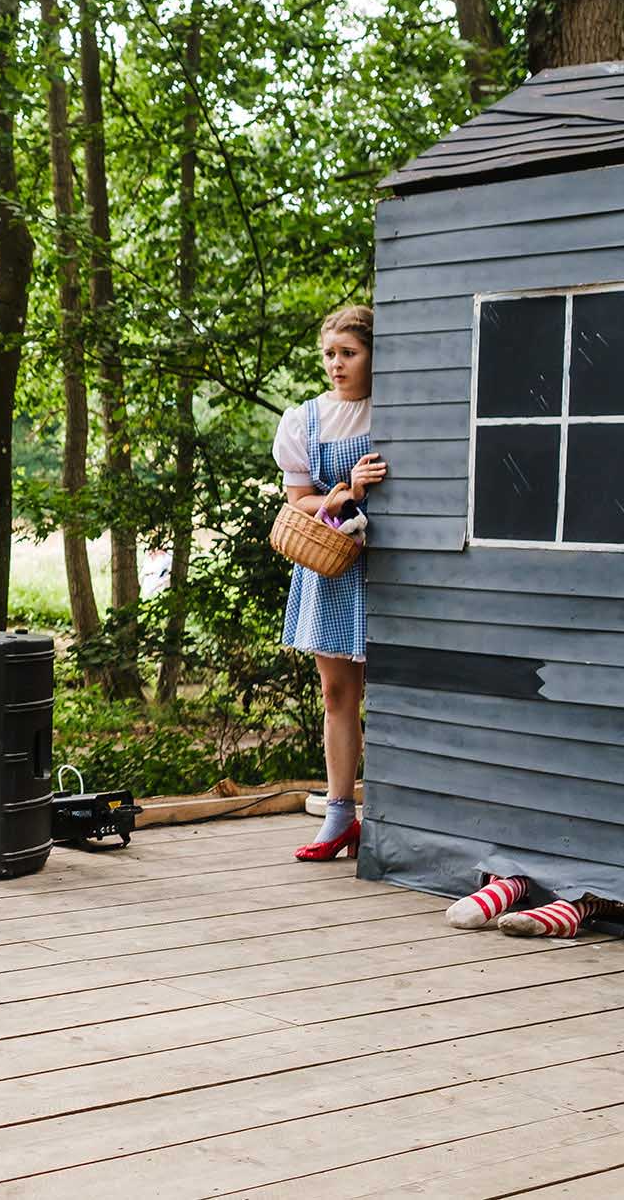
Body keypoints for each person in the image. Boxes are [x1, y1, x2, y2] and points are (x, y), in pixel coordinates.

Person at [274, 305, 386, 862]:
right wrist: (343, 494)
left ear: (373, 354)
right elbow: (299, 501)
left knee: (395, 693)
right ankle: (340, 817)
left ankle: (396, 812)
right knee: (338, 693)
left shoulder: (398, 410)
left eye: (349, 353)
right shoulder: (306, 419)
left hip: (394, 568)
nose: (336, 365)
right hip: (334, 566)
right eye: (329, 355)